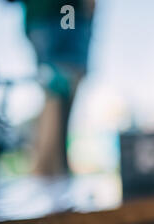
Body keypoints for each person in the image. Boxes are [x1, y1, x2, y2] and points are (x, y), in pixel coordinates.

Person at [8, 0, 94, 175]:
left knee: (56, 87)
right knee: (60, 84)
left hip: (43, 16)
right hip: (65, 12)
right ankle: (47, 173)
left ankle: (55, 170)